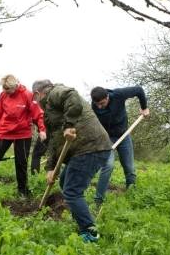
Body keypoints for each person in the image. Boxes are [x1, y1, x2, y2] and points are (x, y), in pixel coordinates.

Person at [32, 79, 112, 242]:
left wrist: (69, 125)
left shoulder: (55, 92)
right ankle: (80, 216)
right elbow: (54, 141)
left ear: (38, 94)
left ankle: (90, 232)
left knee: (72, 191)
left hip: (90, 146)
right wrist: (51, 167)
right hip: (83, 150)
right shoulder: (50, 109)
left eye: (35, 99)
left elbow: (72, 96)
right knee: (64, 183)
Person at [0, 74, 45, 197]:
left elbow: (37, 113)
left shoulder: (27, 95)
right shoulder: (3, 95)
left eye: (7, 89)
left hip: (23, 133)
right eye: (3, 88)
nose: (5, 91)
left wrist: (42, 129)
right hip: (5, 131)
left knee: (21, 162)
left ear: (15, 86)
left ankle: (22, 190)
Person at [90, 85, 149, 206]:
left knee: (129, 167)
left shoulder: (118, 95)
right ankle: (98, 200)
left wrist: (144, 108)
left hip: (123, 135)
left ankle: (131, 194)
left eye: (102, 103)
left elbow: (139, 90)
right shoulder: (93, 106)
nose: (100, 107)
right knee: (108, 165)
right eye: (97, 104)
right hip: (106, 138)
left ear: (107, 96)